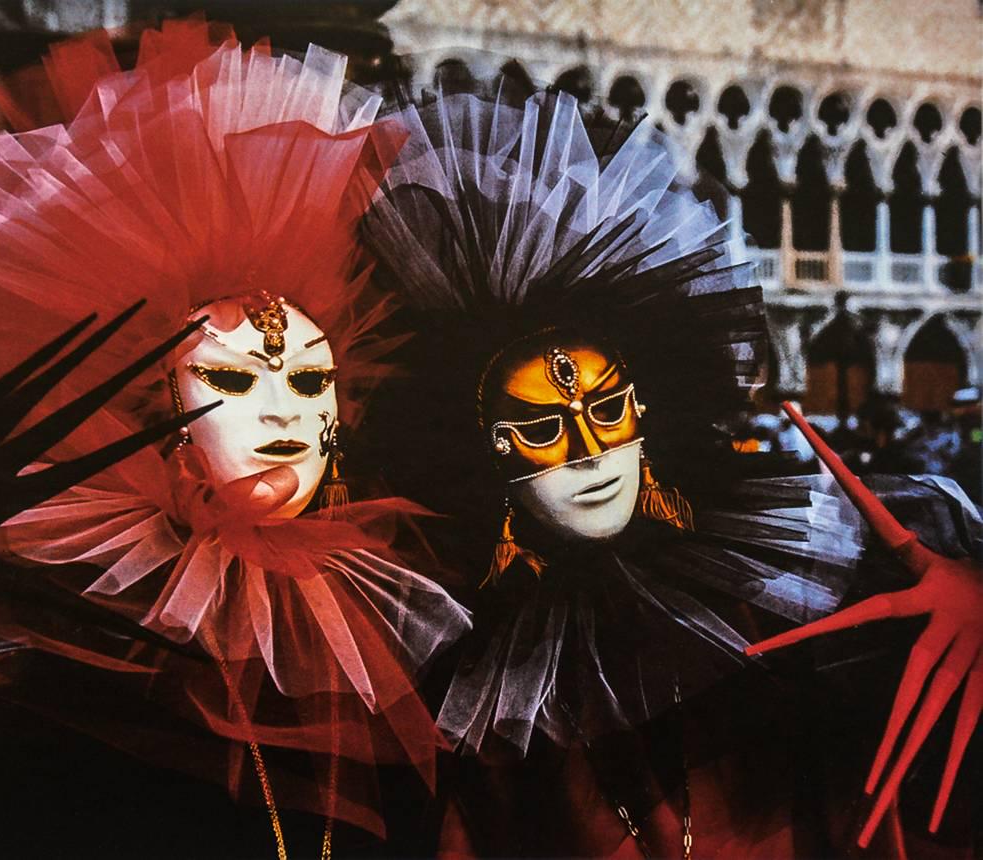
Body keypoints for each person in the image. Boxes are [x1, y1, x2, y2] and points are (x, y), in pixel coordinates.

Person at [362, 65, 981, 857]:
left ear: (646, 411)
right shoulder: (463, 656)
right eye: (544, 427)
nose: (590, 453)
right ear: (490, 446)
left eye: (607, 411)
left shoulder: (763, 575)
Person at [0, 21, 469, 855]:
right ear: (145, 401)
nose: (284, 415)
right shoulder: (53, 653)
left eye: (311, 382)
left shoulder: (388, 622)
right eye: (232, 380)